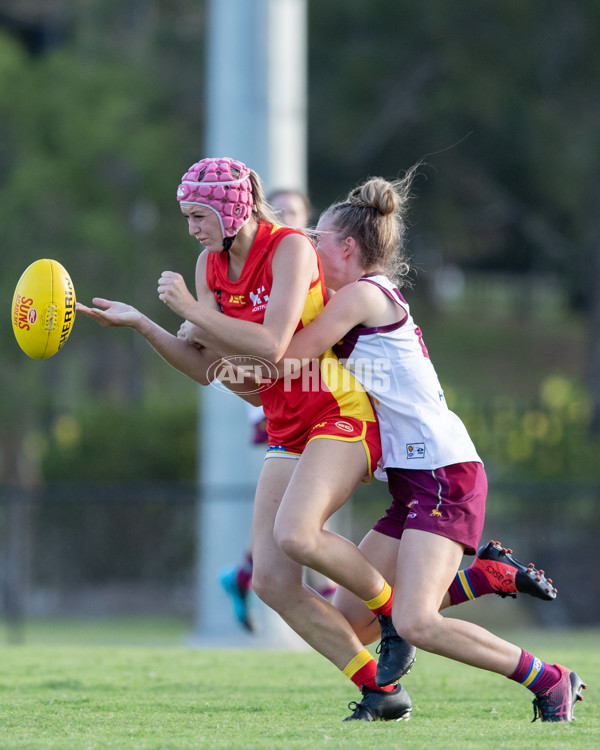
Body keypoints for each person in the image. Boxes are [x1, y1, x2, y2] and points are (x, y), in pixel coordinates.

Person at [76, 157, 413, 722]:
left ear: (232, 209)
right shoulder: (210, 266)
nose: (192, 229)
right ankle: (382, 692)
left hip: (339, 410)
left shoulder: (290, 248)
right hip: (286, 425)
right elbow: (207, 368)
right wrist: (144, 323)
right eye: (186, 216)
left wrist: (191, 311)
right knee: (271, 581)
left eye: (199, 215)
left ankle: (396, 617)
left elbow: (274, 346)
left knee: (296, 536)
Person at [276, 168, 587, 722]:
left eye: (316, 238)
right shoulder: (352, 296)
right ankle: (483, 578)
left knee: (415, 622)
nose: (307, 247)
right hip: (416, 480)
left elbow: (290, 351)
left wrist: (213, 321)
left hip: (445, 473)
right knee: (351, 624)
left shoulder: (363, 295)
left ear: (347, 247)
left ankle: (550, 679)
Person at [218, 187, 337, 633]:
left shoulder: (299, 257)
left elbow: (283, 341)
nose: (282, 220)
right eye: (278, 211)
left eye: (294, 214)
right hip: (279, 404)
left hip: (318, 399)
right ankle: (331, 596)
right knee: (298, 521)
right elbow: (261, 354)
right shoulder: (244, 266)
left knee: (300, 519)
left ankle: (246, 574)